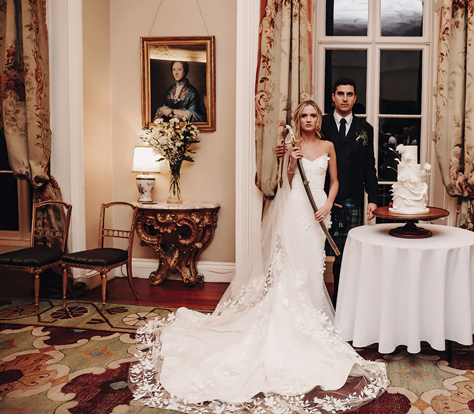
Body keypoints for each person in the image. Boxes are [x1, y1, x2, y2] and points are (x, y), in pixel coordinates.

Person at [129, 100, 389, 413]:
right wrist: (290, 163)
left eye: (312, 115)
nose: (308, 119)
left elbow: (335, 182)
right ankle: (290, 321)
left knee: (312, 265)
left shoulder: (329, 145)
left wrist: (327, 204)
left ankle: (313, 320)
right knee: (290, 267)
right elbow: (286, 184)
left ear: (318, 118)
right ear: (298, 119)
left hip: (318, 211)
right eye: (304, 115)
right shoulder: (289, 147)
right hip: (295, 209)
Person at [322, 78, 379, 306]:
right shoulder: (320, 125)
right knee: (317, 251)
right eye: (340, 93)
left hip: (352, 199)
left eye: (349, 94)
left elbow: (369, 166)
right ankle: (317, 302)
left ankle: (342, 303)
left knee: (345, 256)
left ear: (355, 98)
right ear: (333, 97)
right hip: (323, 199)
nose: (344, 98)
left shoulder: (365, 129)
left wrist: (373, 199)